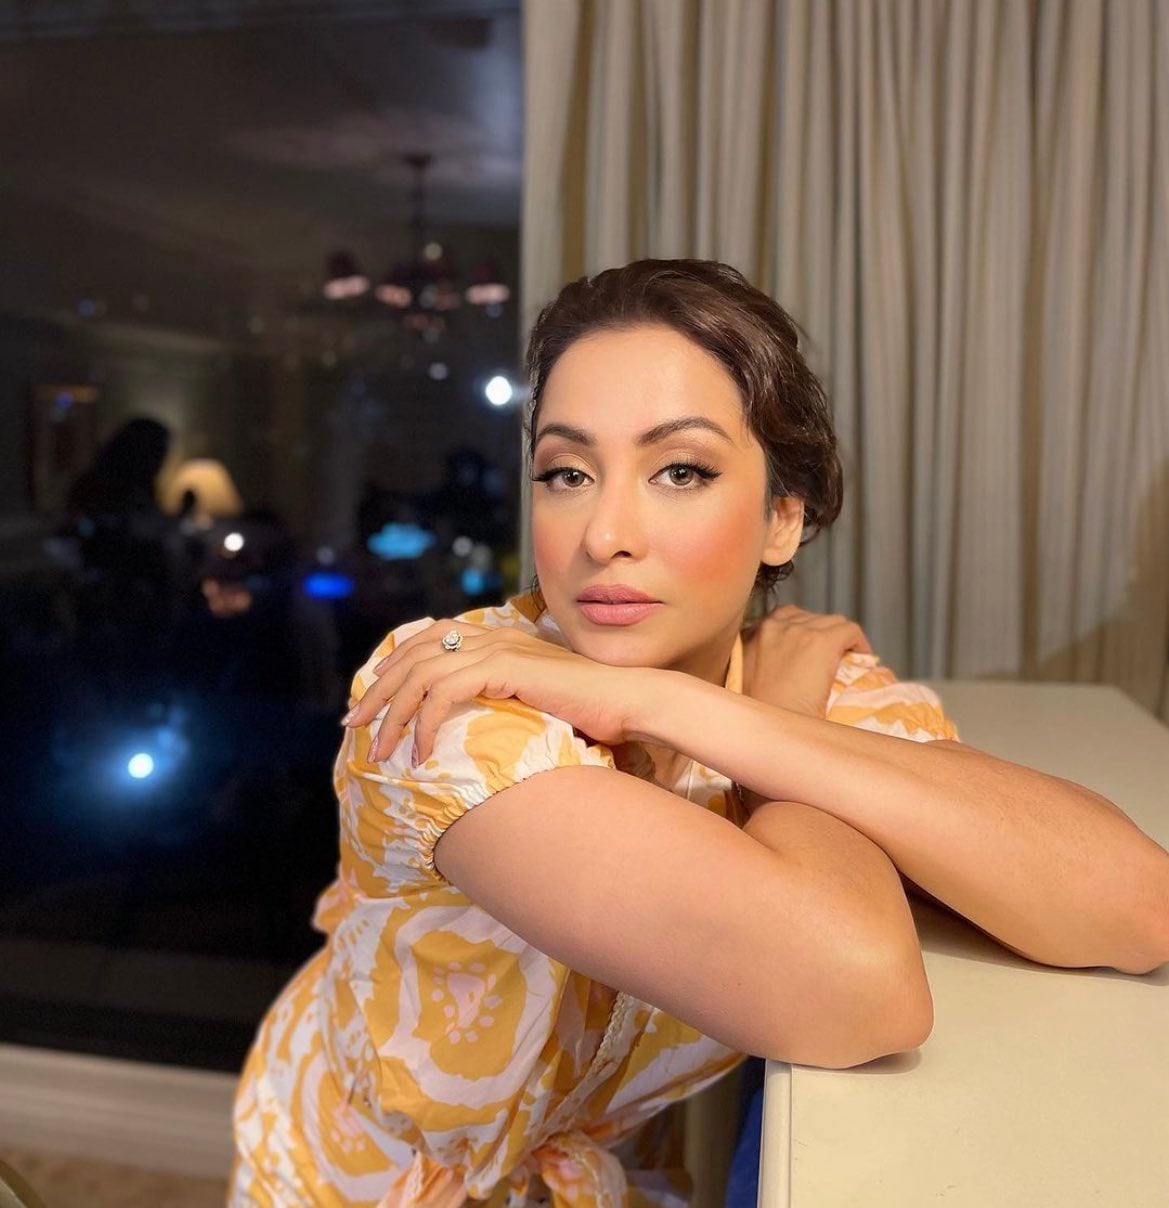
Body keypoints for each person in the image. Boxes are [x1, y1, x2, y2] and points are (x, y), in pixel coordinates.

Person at [231, 260, 1169, 1207]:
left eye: (679, 471)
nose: (604, 533)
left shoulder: (790, 679)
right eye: (567, 473)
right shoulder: (457, 703)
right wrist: (780, 729)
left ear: (781, 520)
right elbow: (854, 992)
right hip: (353, 1183)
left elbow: (1134, 904)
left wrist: (679, 708)